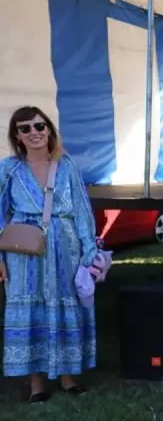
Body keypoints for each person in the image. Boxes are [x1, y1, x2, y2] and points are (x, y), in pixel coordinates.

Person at [0, 106, 98, 403]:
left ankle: (68, 377)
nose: (34, 132)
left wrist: (89, 250)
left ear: (49, 130)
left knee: (65, 305)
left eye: (39, 126)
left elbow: (81, 208)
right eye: (25, 128)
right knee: (30, 307)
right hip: (23, 252)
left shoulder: (66, 165)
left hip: (64, 247)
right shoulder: (8, 169)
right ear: (17, 136)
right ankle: (36, 384)